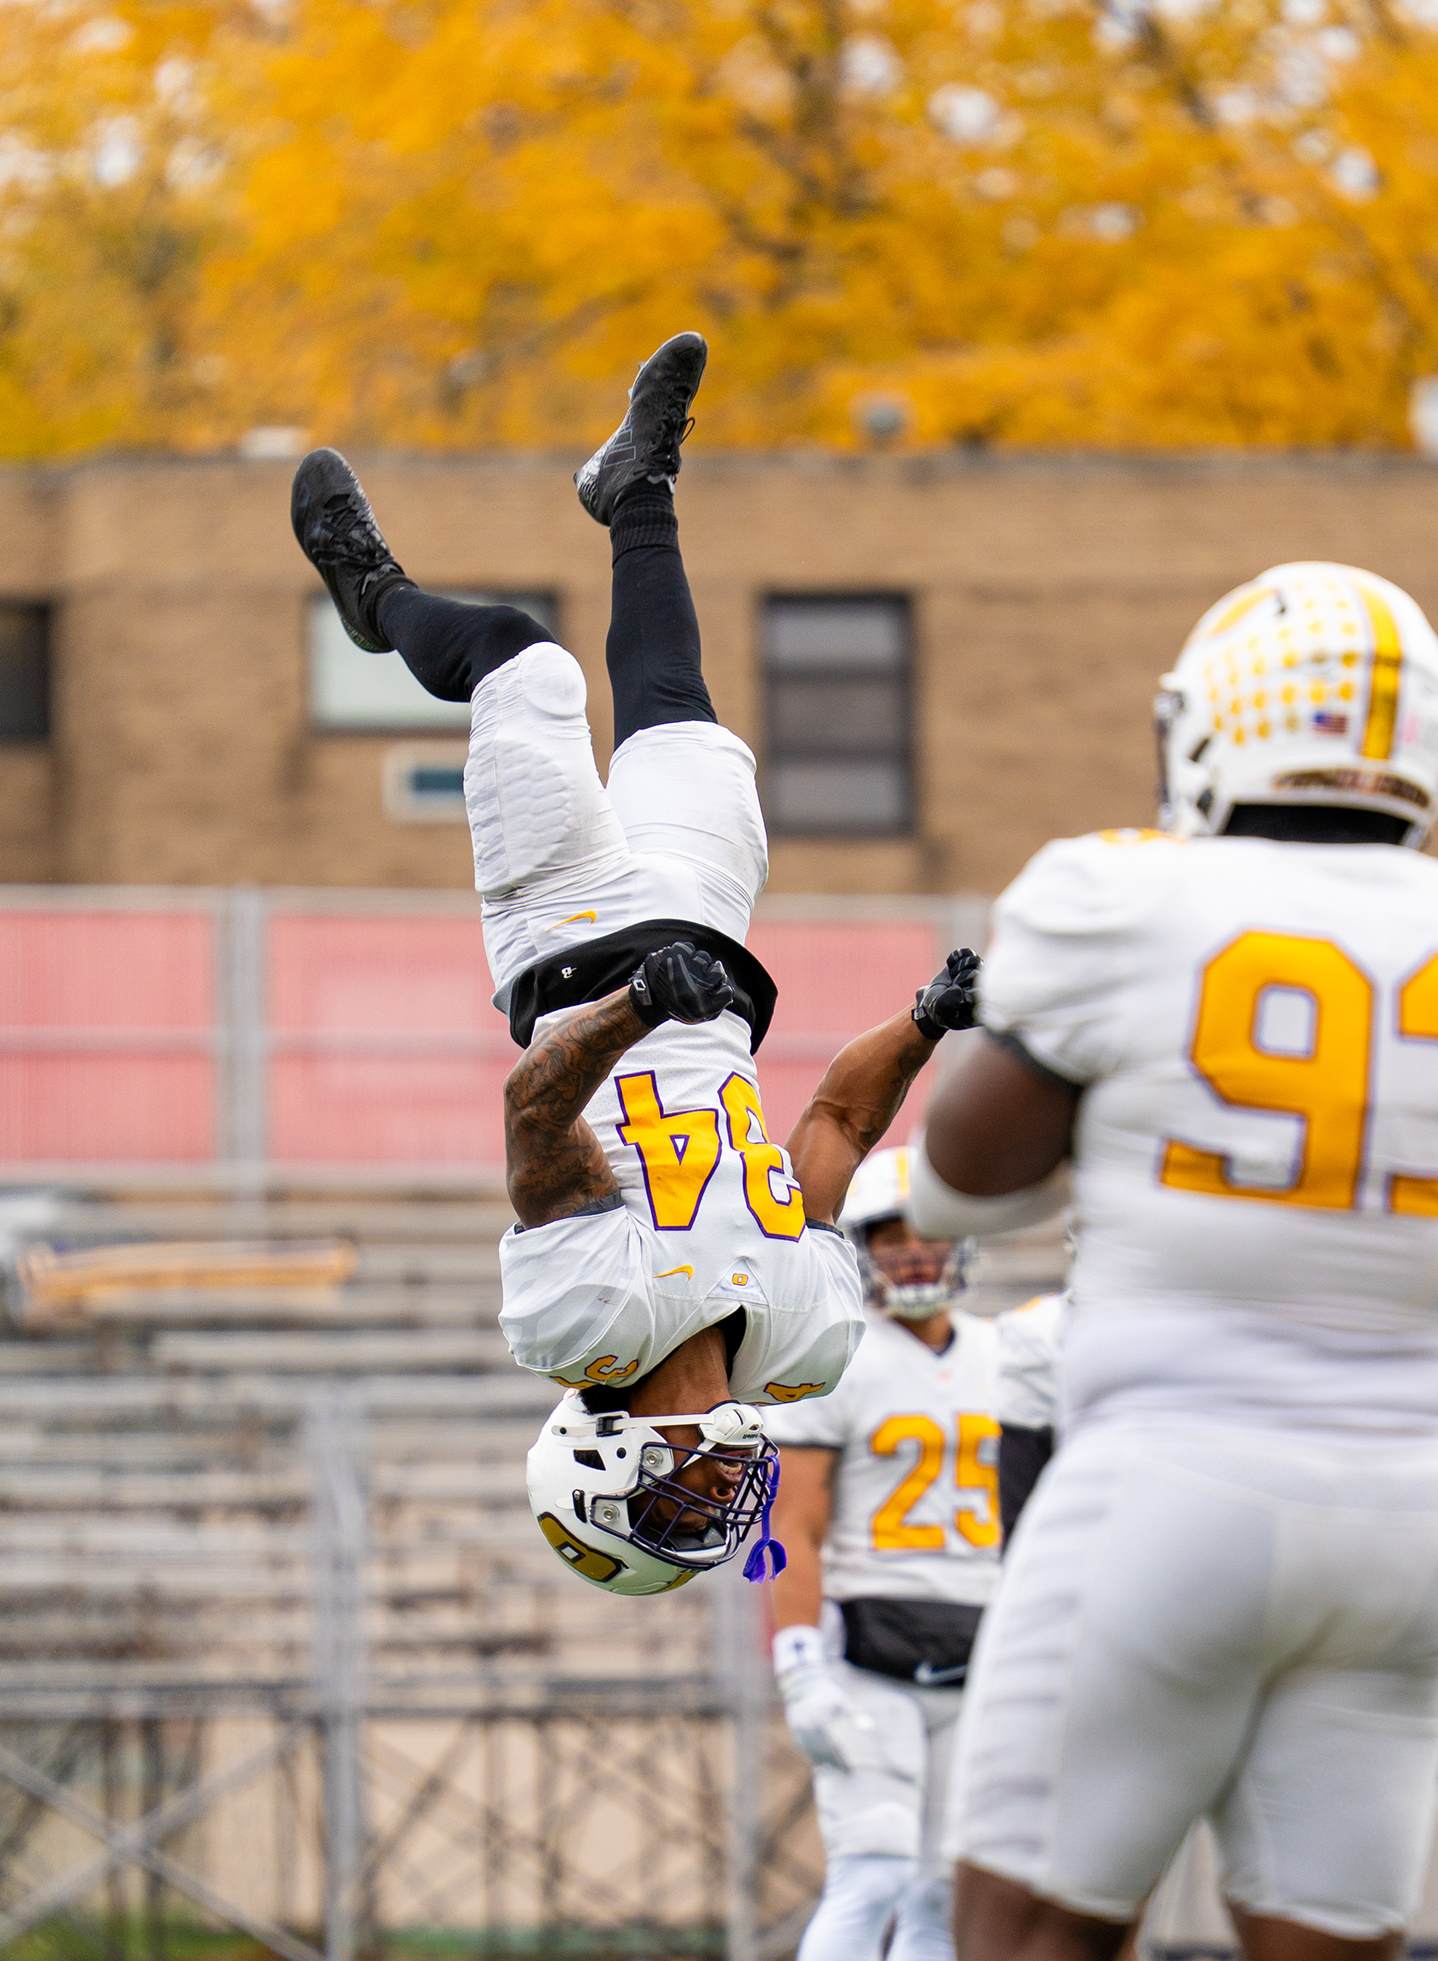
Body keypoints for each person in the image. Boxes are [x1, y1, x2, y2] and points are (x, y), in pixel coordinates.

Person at [912, 561, 1438, 1961]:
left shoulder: (1121, 894)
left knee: (1033, 1937)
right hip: (1417, 1499)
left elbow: (960, 1179)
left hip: (1175, 1472)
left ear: (1212, 729)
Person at [288, 335, 977, 1594]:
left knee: (522, 662)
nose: (723, 1486)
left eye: (681, 1500)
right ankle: (635, 488)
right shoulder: (805, 1339)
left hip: (568, 941)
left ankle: (375, 600)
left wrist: (637, 1005)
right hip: (710, 949)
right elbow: (835, 1121)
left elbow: (537, 1107)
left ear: (603, 1464)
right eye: (717, 1506)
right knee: (679, 710)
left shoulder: (584, 1326)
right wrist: (926, 1022)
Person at [768, 1145, 994, 1961]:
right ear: (862, 1250)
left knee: (942, 1895)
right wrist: (798, 1658)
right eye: (890, 1236)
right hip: (870, 1652)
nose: (911, 1253)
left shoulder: (1008, 1358)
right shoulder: (839, 1357)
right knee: (869, 1877)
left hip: (983, 1654)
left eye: (927, 1232)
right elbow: (793, 1525)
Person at [995, 1287, 1170, 1961]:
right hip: (1083, 1633)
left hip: (1209, 1614)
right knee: (1077, 1887)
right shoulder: (1034, 1341)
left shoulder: (1221, 1314)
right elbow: (1022, 1522)